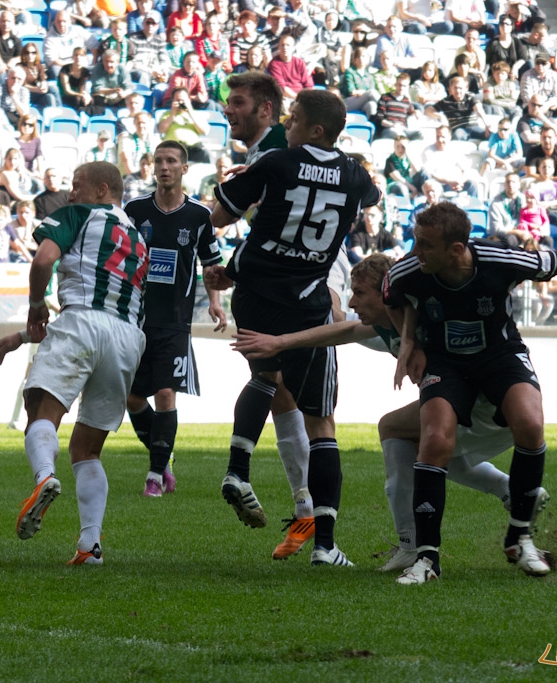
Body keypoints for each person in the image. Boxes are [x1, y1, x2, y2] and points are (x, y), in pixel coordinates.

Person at [383, 202, 557, 584]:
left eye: (425, 245)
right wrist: (412, 343)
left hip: (500, 354)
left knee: (530, 423)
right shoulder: (409, 270)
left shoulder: (500, 260)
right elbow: (392, 297)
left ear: (456, 250)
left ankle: (519, 536)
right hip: (446, 362)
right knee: (436, 439)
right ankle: (426, 559)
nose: (415, 251)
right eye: (415, 241)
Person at [232, 253, 526, 573]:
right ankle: (507, 494)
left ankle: (415, 544)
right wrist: (279, 342)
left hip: (489, 408)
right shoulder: (384, 327)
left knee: (401, 434)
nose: (352, 302)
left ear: (386, 292)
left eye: (359, 293)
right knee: (418, 446)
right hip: (480, 412)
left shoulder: (427, 320)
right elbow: (340, 332)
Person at [206, 89, 381, 567]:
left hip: (257, 292)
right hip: (309, 295)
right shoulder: (353, 174)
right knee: (321, 420)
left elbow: (219, 217)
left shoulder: (277, 162)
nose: (288, 122)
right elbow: (372, 193)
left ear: (314, 129)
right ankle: (324, 542)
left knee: (266, 378)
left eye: (296, 118)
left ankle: (242, 470)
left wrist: (254, 194)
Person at [0, 161, 147, 566]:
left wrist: (36, 304)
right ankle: (90, 546)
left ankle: (44, 477)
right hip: (128, 337)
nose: (70, 194)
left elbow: (43, 261)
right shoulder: (136, 236)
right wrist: (23, 338)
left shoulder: (77, 214)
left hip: (81, 324)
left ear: (100, 188)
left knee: (41, 409)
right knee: (87, 449)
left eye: (76, 186)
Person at [123, 141, 226, 496]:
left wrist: (215, 302)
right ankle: (163, 454)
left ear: (184, 169)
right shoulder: (134, 211)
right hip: (135, 319)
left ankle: (154, 476)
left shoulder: (199, 216)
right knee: (133, 398)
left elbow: (211, 264)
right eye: (158, 161)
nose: (164, 167)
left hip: (175, 320)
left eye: (171, 161)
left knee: (166, 393)